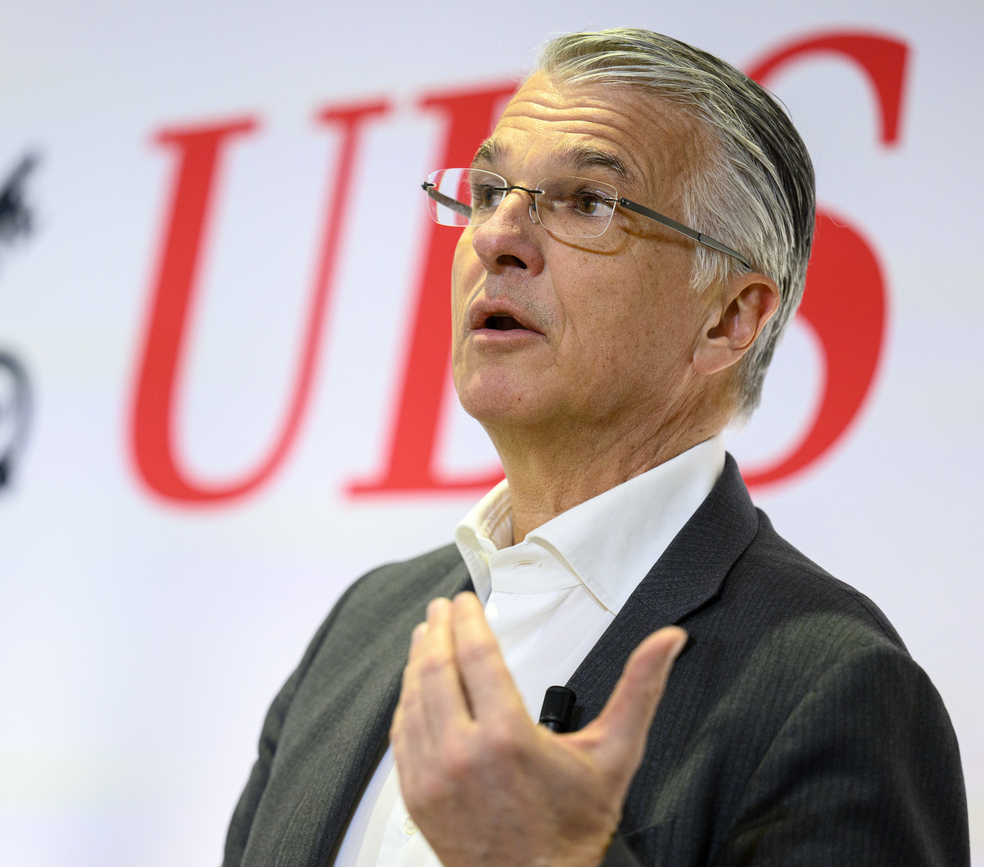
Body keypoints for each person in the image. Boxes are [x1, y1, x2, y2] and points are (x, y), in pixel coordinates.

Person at [223, 28, 968, 867]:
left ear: (729, 318)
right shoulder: (363, 627)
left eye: (588, 202)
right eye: (491, 188)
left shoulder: (834, 688)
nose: (499, 234)